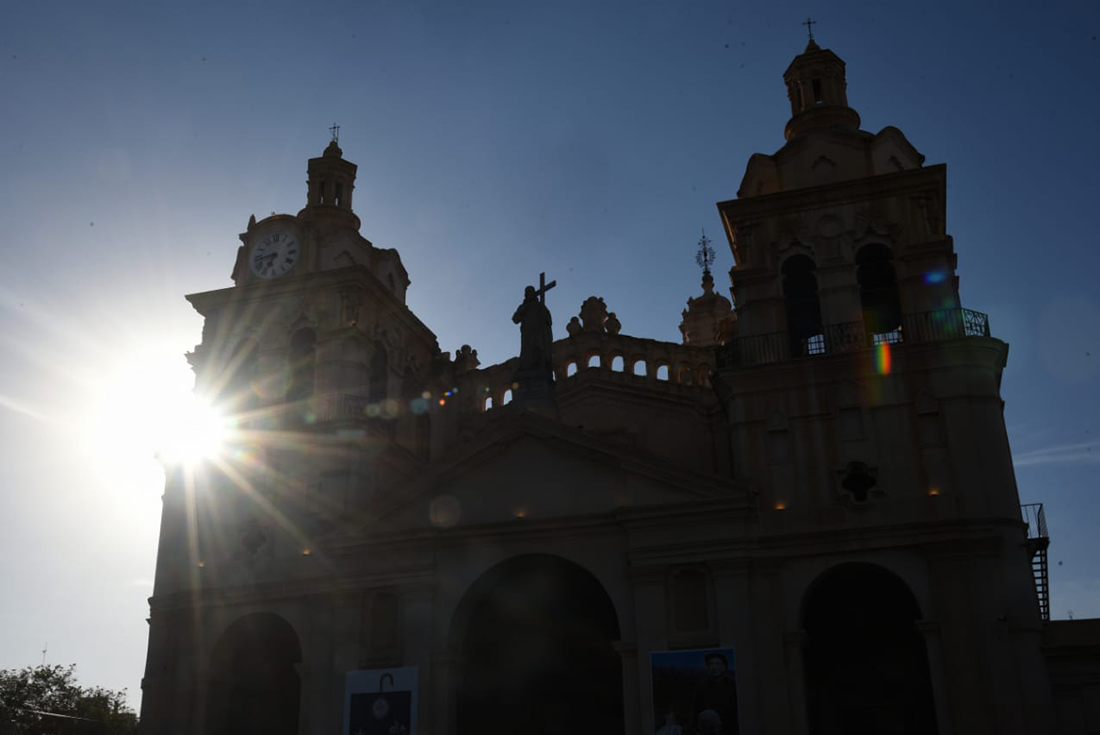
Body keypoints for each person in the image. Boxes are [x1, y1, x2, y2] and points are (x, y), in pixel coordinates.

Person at [693, 652, 739, 734]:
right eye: (711, 664)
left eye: (717, 664)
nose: (714, 667)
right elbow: (696, 708)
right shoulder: (701, 686)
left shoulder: (733, 685)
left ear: (724, 667)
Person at [512, 285, 553, 374]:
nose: (528, 295)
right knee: (527, 351)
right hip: (527, 333)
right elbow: (515, 319)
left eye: (530, 292)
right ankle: (527, 367)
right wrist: (523, 309)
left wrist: (543, 320)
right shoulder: (523, 306)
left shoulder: (540, 306)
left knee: (539, 348)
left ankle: (541, 366)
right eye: (527, 293)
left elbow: (548, 321)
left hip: (539, 332)